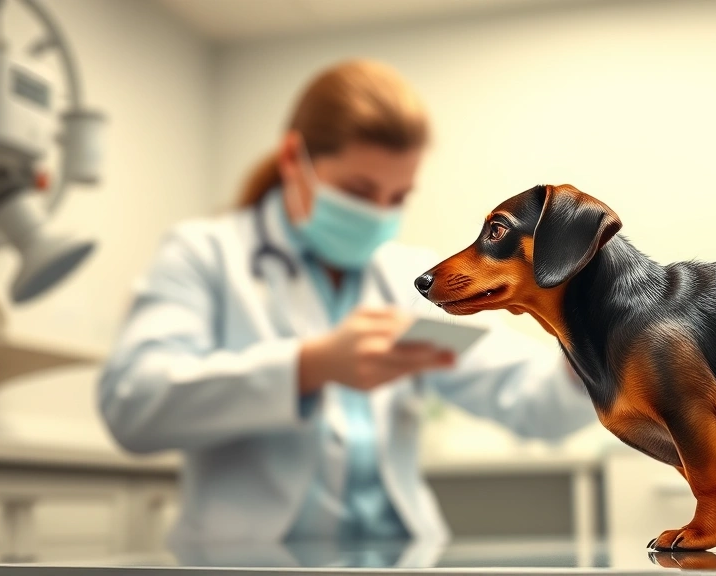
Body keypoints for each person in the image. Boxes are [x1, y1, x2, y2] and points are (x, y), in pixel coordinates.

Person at [97, 59, 596, 544]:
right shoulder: (205, 255)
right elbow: (133, 405)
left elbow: (536, 402)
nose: (379, 214)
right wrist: (306, 367)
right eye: (359, 191)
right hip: (245, 558)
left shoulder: (408, 280)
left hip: (396, 554)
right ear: (295, 161)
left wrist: (590, 338)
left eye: (398, 197)